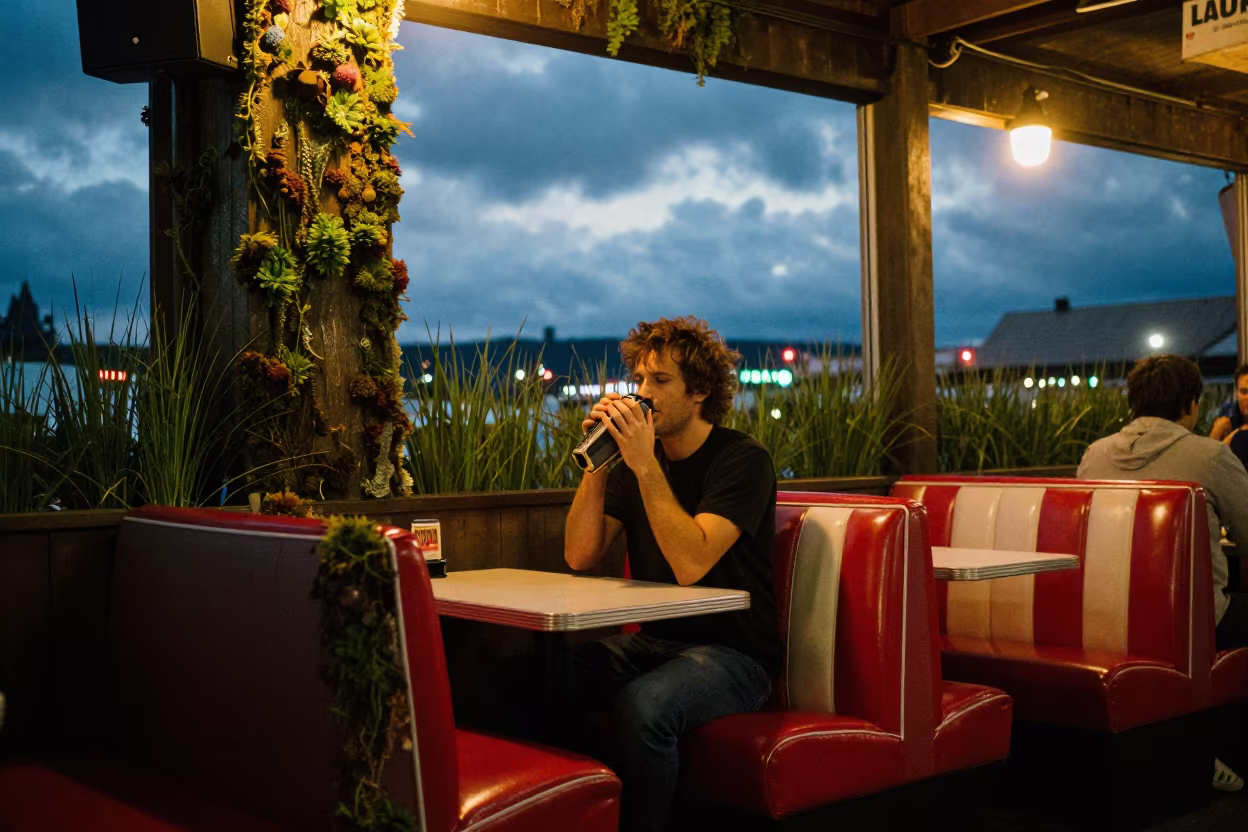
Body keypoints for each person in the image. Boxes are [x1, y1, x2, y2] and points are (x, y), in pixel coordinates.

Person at [564, 316, 778, 832]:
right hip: (654, 641)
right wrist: (597, 458)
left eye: (659, 382)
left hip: (737, 655)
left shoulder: (741, 459)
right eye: (639, 380)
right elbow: (579, 554)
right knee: (552, 671)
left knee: (646, 706)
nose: (643, 394)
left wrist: (644, 466)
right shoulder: (642, 461)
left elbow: (691, 563)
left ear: (699, 390)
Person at [1077, 354, 1248, 792]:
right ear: (1191, 403)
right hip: (1190, 621)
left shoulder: (1094, 457)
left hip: (1105, 618)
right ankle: (1215, 745)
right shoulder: (1209, 456)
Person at [1208, 362, 1248, 442]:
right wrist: (1214, 437)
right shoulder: (1227, 415)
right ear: (1236, 393)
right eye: (1244, 392)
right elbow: (1207, 453)